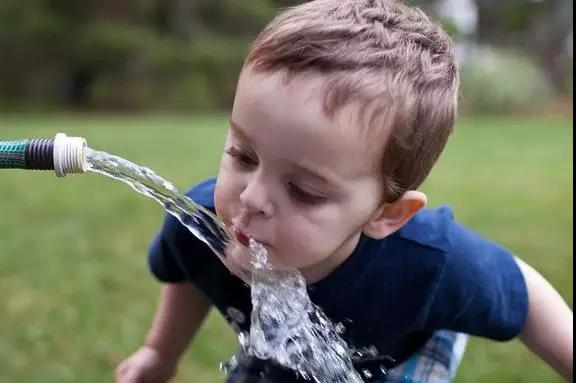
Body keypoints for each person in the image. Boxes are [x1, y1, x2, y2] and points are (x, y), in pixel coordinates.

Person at [115, 0, 573, 382]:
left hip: (406, 350)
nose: (252, 199)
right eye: (244, 156)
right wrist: (160, 352)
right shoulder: (201, 224)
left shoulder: (431, 264)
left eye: (303, 190)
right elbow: (188, 270)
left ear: (386, 214)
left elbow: (523, 293)